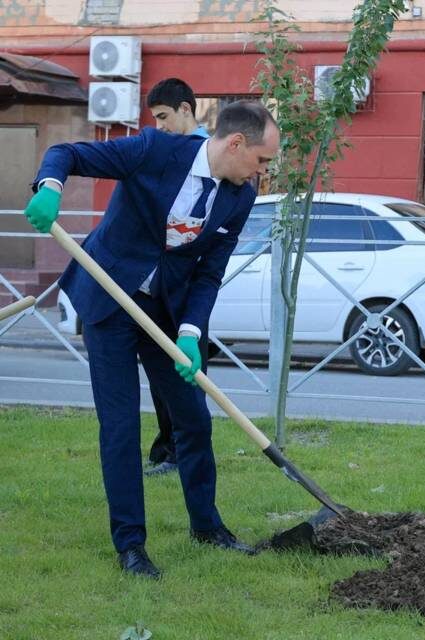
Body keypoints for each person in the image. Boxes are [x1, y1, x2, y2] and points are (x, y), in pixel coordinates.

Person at [22, 100, 280, 579]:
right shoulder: (155, 150)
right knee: (120, 427)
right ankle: (131, 546)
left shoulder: (242, 195)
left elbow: (209, 273)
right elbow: (67, 153)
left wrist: (189, 333)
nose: (263, 171)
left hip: (166, 313)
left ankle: (207, 526)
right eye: (262, 160)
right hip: (110, 299)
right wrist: (50, 188)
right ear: (236, 143)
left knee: (193, 420)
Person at [143, 78, 211, 477]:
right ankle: (168, 447)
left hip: (186, 284)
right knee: (160, 370)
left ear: (186, 109)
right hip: (159, 282)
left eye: (164, 117)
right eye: (155, 119)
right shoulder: (167, 151)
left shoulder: (205, 156)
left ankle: (181, 450)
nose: (160, 126)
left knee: (185, 372)